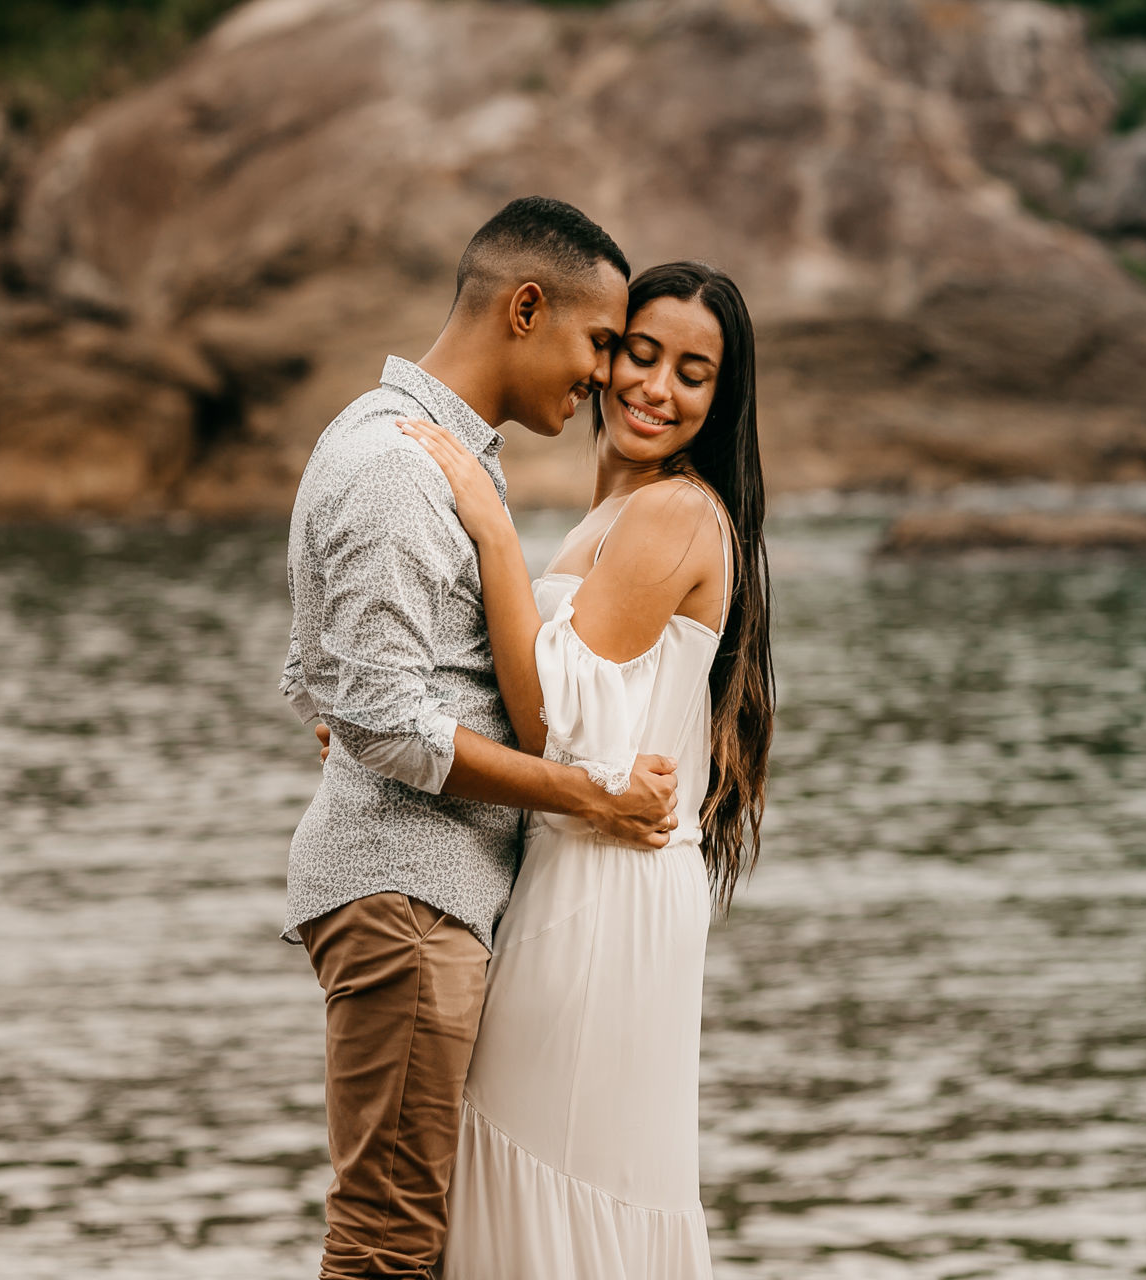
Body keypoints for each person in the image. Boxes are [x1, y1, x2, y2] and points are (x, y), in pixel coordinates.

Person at [278, 196, 685, 1280]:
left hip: (424, 897)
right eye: (602, 343)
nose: (605, 377)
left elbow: (330, 685)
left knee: (413, 1233)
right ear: (527, 306)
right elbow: (380, 720)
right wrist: (588, 792)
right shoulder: (401, 466)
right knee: (388, 1240)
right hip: (407, 898)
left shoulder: (424, 451)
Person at [396, 261, 774, 1278]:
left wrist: (487, 521)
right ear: (604, 356)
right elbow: (533, 695)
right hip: (586, 860)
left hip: (605, 884)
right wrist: (386, 720)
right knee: (536, 1159)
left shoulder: (674, 516)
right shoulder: (618, 514)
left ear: (720, 398)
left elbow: (549, 718)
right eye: (639, 353)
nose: (656, 387)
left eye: (693, 372)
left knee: (544, 1154)